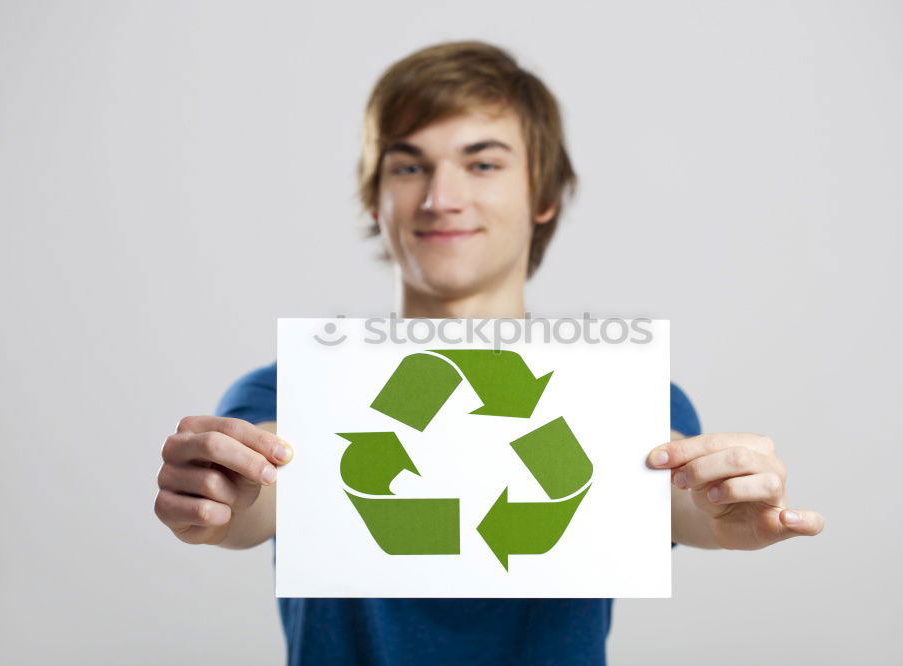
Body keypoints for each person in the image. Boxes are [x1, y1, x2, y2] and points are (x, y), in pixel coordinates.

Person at [154, 40, 824, 665]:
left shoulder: (624, 396)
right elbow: (263, 494)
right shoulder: (288, 391)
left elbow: (673, 499)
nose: (442, 198)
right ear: (374, 197)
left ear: (543, 195)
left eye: (482, 163)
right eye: (409, 165)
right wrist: (220, 497)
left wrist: (723, 512)